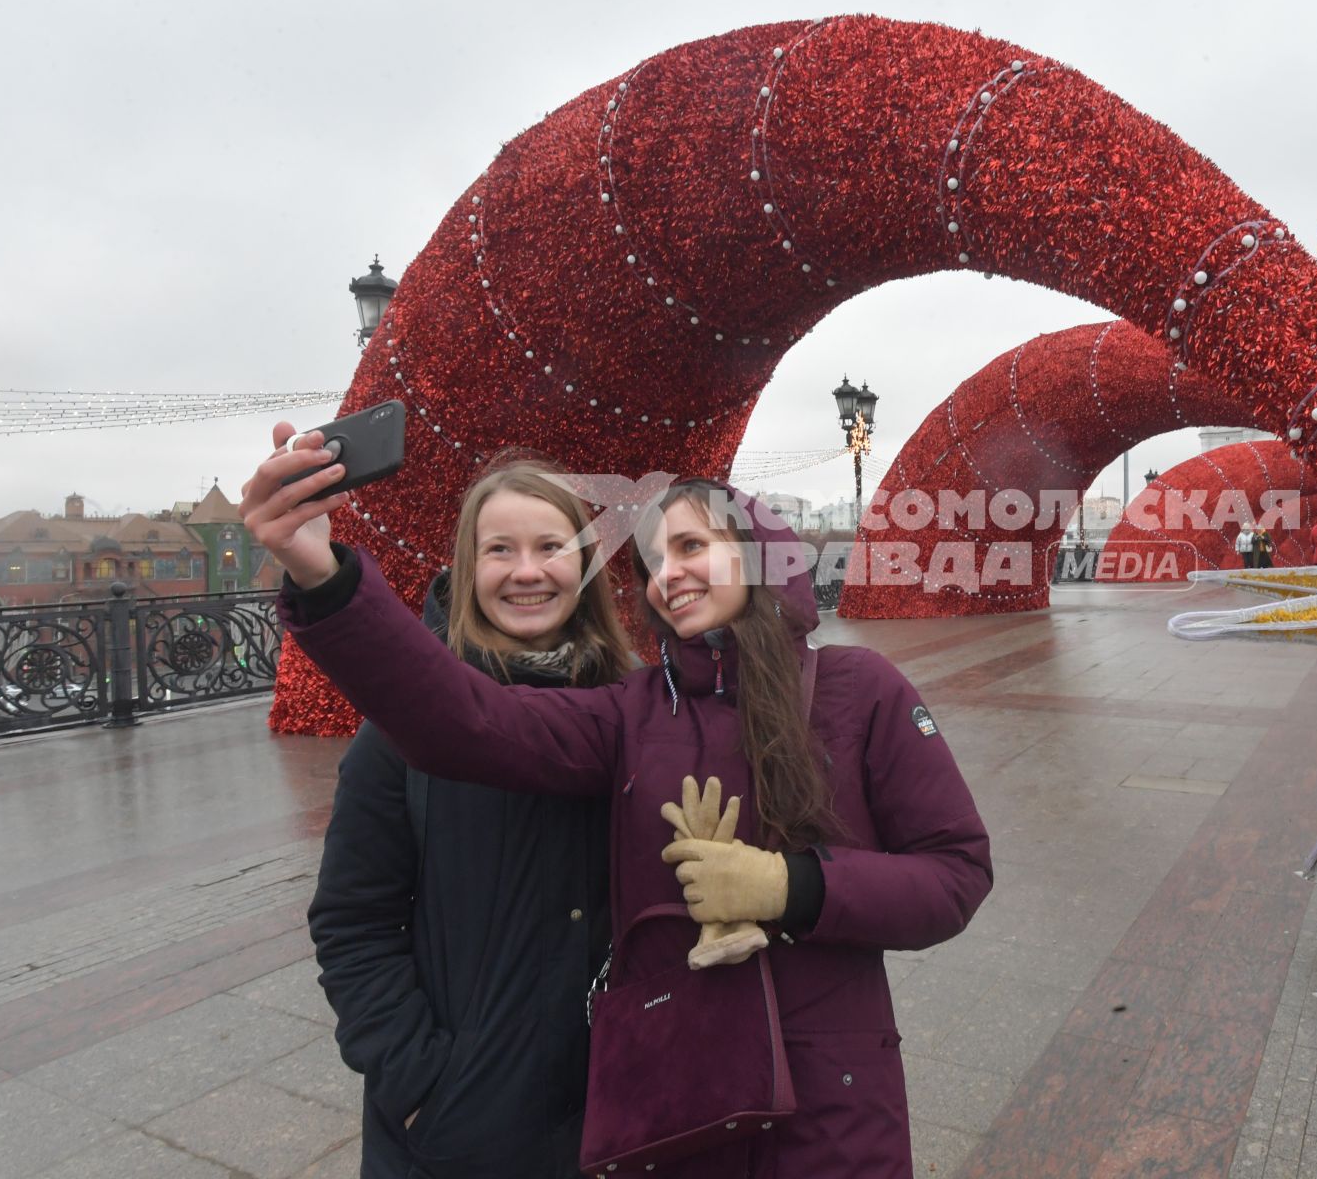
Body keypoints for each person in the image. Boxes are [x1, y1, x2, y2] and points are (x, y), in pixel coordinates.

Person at [244, 427, 992, 1177]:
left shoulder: (860, 690)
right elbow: (465, 723)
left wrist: (790, 885)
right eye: (656, 561)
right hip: (684, 1115)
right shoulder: (632, 710)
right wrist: (324, 576)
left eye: (692, 546)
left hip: (833, 1109)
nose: (670, 574)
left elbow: (956, 873)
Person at [307, 455, 635, 1178]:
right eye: (500, 550)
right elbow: (353, 920)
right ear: (466, 567)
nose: (528, 572)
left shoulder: (635, 708)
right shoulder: (401, 733)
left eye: (551, 548)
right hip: (465, 1124)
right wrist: (420, 1082)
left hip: (623, 1104)